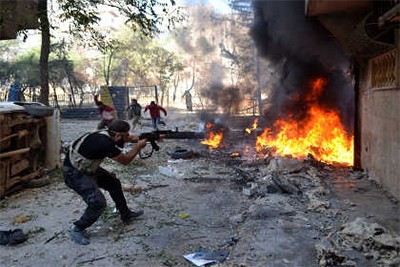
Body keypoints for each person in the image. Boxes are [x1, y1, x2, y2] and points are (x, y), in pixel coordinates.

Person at [63, 120, 147, 245]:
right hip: (75, 173)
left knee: (114, 183)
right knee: (98, 203)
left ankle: (126, 214)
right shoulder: (105, 143)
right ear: (118, 135)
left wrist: (147, 137)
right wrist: (138, 146)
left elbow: (130, 138)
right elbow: (125, 160)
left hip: (87, 167)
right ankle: (78, 228)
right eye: (125, 136)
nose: (127, 138)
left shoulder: (106, 133)